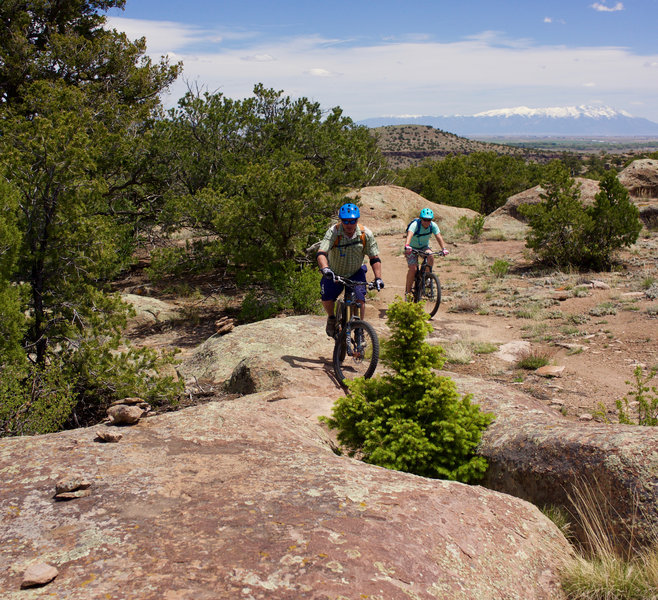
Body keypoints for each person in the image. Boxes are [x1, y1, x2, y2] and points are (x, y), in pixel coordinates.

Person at [317, 203, 384, 337]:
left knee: (360, 300)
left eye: (352, 221)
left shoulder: (365, 234)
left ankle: (359, 329)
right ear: (340, 220)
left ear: (357, 220)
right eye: (345, 221)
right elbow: (321, 252)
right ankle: (331, 318)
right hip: (334, 273)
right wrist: (325, 269)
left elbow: (374, 258)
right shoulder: (334, 232)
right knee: (326, 298)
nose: (349, 224)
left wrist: (378, 278)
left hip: (355, 273)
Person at [404, 208, 449, 296]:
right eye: (424, 219)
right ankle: (408, 292)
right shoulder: (415, 224)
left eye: (429, 220)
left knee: (431, 255)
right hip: (411, 248)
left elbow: (438, 237)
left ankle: (427, 277)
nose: (427, 222)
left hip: (423, 247)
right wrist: (407, 245)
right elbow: (410, 234)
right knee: (413, 269)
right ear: (421, 219)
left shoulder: (433, 226)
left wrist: (444, 248)